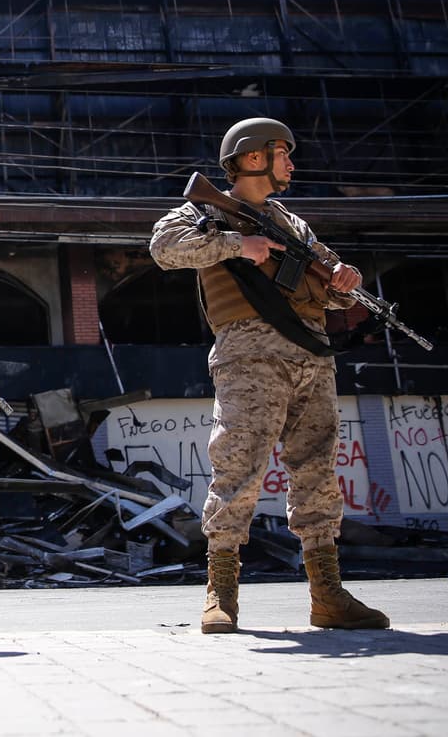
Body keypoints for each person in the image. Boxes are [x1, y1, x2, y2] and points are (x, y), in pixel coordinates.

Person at [149, 117, 389, 634]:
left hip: (311, 356)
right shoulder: (205, 212)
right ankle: (221, 594)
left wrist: (345, 282)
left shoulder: (293, 226)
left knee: (318, 474)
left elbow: (329, 288)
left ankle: (327, 594)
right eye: (284, 153)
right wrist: (238, 246)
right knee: (238, 468)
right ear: (254, 156)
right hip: (248, 356)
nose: (292, 164)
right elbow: (164, 250)